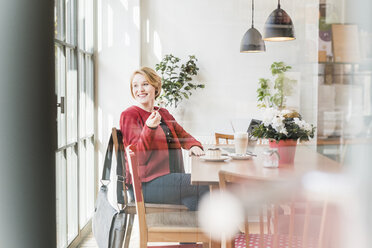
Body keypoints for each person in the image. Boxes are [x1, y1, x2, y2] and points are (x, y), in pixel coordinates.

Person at [120, 67, 209, 211]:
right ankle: (226, 232)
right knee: (204, 183)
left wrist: (193, 145)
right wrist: (149, 128)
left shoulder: (163, 113)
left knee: (198, 200)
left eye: (145, 84)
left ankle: (210, 232)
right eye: (135, 86)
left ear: (155, 86)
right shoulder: (130, 115)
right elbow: (138, 158)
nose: (140, 89)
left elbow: (183, 135)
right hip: (145, 185)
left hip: (170, 180)